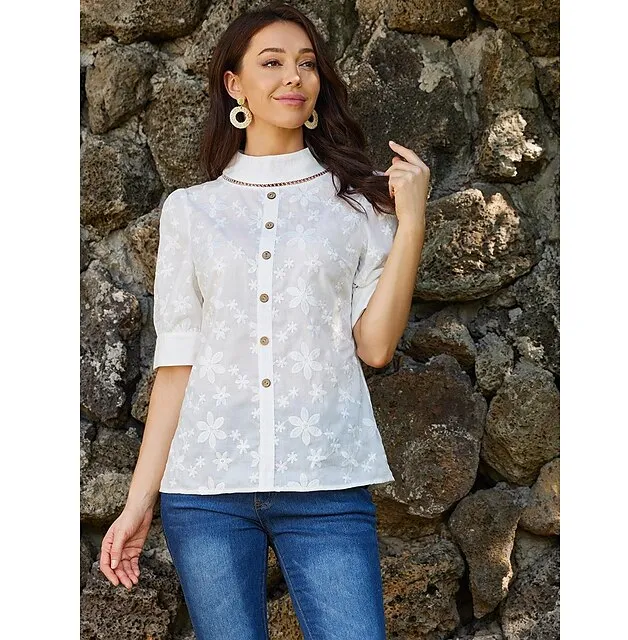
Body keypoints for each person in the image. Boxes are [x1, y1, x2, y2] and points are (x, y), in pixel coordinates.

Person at [99, 3, 429, 638]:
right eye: (272, 62)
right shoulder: (191, 211)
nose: (293, 77)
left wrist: (411, 221)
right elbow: (177, 366)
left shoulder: (359, 207)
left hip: (327, 481)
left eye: (307, 64)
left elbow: (376, 346)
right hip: (207, 489)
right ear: (235, 84)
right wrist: (140, 503)